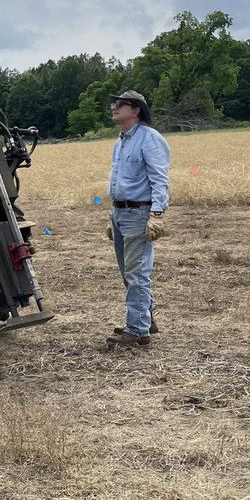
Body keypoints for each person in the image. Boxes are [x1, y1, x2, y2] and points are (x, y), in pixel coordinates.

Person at [104, 90, 170, 349]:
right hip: (120, 212)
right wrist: (113, 216)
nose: (114, 107)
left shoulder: (149, 139)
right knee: (128, 272)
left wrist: (156, 214)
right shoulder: (120, 141)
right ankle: (144, 319)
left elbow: (159, 179)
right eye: (114, 103)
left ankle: (137, 330)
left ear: (136, 110)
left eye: (121, 104)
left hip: (138, 213)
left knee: (136, 273)